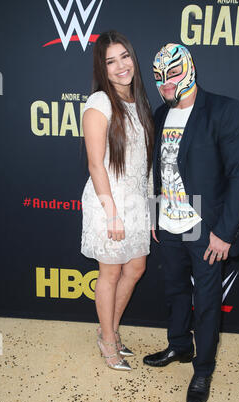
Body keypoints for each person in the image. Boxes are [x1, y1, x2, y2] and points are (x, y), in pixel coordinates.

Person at [143, 43, 239, 402]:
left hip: (203, 223)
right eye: (159, 78)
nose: (166, 85)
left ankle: (203, 368)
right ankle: (179, 346)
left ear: (189, 68)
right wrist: (155, 213)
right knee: (175, 291)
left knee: (206, 301)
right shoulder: (160, 114)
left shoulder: (224, 110)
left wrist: (223, 232)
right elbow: (159, 169)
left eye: (172, 74)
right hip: (169, 221)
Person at [81, 31, 153, 371]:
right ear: (102, 67)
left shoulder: (138, 101)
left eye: (124, 56)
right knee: (109, 273)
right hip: (108, 201)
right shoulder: (99, 103)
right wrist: (111, 213)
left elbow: (145, 162)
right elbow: (96, 164)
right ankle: (109, 340)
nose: (121, 66)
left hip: (137, 202)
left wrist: (150, 209)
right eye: (111, 61)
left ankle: (106, 329)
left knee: (135, 268)